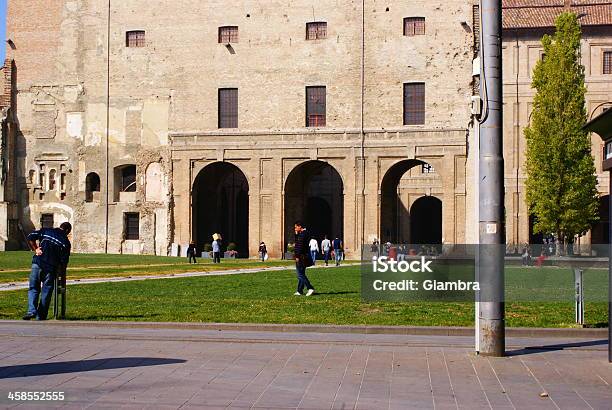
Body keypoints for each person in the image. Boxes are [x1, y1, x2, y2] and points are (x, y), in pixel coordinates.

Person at [23, 222, 72, 320]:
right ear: (67, 231)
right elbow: (63, 264)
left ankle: (31, 311)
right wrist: (63, 279)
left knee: (33, 288)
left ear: (60, 227)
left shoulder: (46, 231)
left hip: (37, 263)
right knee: (46, 292)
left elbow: (30, 236)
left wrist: (36, 249)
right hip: (50, 269)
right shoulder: (66, 243)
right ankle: (40, 316)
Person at [293, 221, 315, 296]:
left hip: (301, 257)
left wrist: (297, 256)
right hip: (303, 256)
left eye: (296, 227)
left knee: (300, 274)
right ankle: (299, 290)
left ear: (300, 226)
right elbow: (298, 243)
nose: (295, 229)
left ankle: (310, 288)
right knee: (301, 273)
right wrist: (296, 235)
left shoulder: (302, 235)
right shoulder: (303, 234)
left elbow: (299, 246)